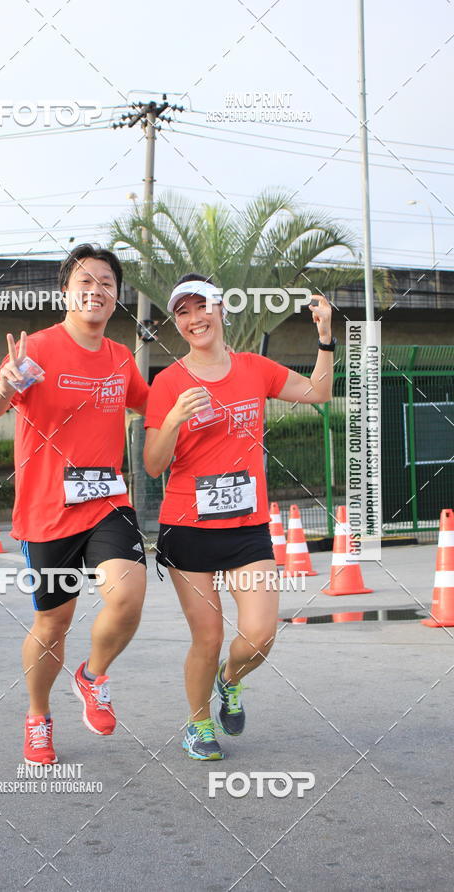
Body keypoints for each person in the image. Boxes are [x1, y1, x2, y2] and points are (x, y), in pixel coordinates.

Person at [144, 275, 334, 760]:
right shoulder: (167, 382)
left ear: (221, 309)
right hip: (187, 527)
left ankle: (230, 680)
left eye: (201, 307)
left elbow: (317, 393)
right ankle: (197, 724)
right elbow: (152, 465)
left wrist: (326, 337)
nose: (193, 319)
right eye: (182, 312)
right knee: (206, 637)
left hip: (247, 527)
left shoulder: (254, 369)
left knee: (260, 635)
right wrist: (171, 421)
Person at [0, 244, 149, 765]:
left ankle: (92, 676)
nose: (96, 289)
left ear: (117, 296)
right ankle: (38, 716)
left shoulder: (120, 358)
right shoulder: (37, 350)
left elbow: (149, 402)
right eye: (85, 281)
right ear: (66, 292)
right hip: (48, 511)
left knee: (128, 595)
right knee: (53, 624)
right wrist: (7, 381)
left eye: (107, 282)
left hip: (107, 500)